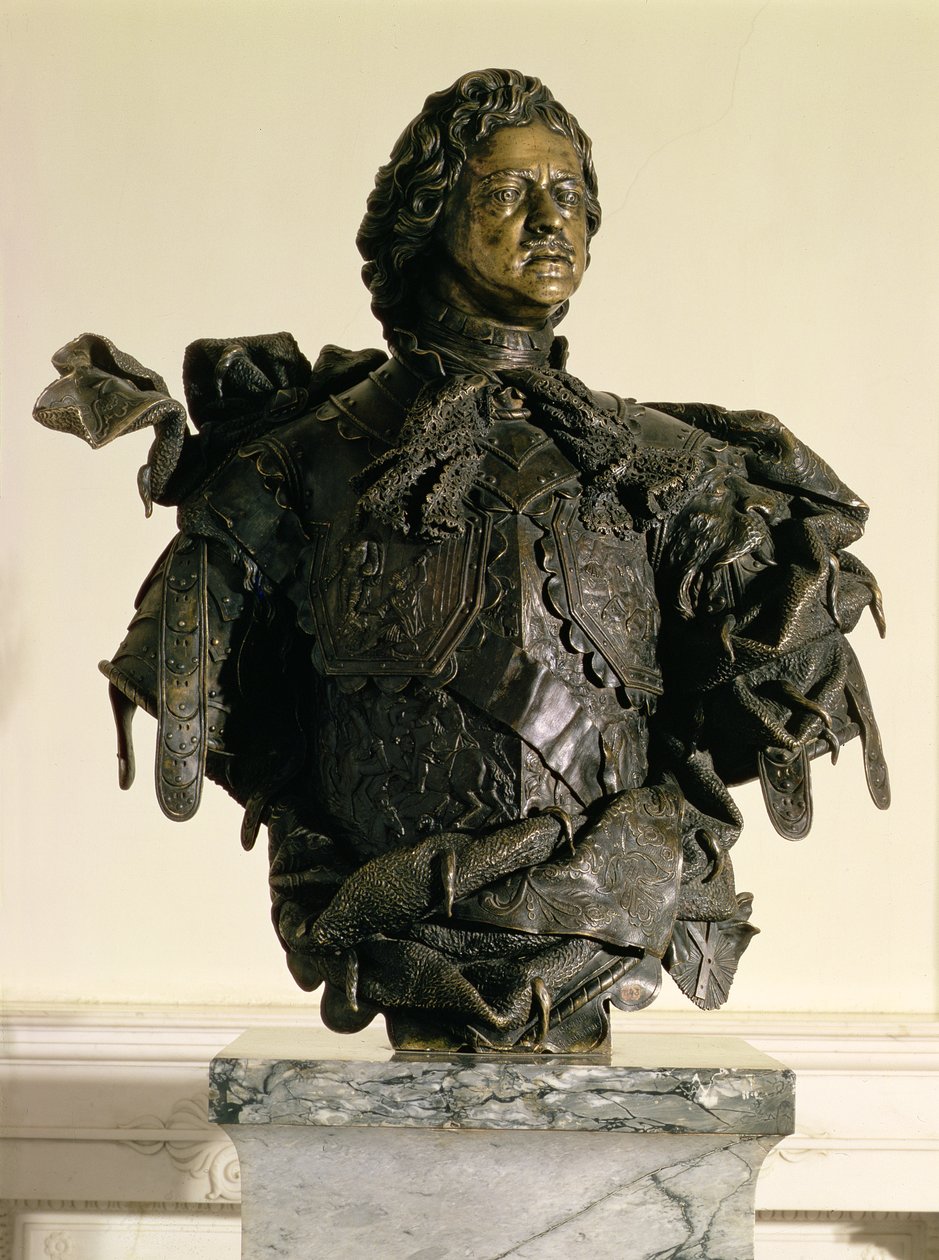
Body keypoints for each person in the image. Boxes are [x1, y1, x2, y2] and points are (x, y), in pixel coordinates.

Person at [34, 69, 888, 1052]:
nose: (550, 220)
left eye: (568, 194)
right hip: (386, 919)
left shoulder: (667, 469)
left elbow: (742, 706)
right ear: (427, 221)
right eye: (506, 193)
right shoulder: (302, 462)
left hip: (612, 914)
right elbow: (242, 720)